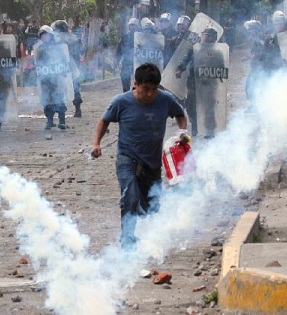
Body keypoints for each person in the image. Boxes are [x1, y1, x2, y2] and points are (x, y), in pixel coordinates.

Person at [91, 63, 188, 249]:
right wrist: (96, 143)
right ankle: (127, 238)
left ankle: (142, 221)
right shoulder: (121, 102)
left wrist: (182, 132)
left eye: (153, 89)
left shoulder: (165, 99)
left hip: (152, 163)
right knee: (130, 196)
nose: (150, 94)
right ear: (136, 84)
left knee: (152, 206)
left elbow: (180, 115)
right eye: (146, 89)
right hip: (127, 159)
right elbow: (104, 121)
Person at [175, 27, 218, 137]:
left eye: (209, 35)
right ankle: (195, 127)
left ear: (214, 38)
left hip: (209, 84)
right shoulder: (195, 48)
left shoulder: (217, 51)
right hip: (193, 82)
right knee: (191, 106)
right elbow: (186, 59)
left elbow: (222, 67)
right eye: (204, 34)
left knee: (208, 106)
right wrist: (180, 68)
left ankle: (209, 131)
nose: (206, 37)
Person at [35, 25, 68, 130]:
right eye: (42, 36)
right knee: (47, 101)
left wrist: (63, 71)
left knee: (59, 99)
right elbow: (38, 63)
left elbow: (64, 61)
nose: (44, 37)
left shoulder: (58, 47)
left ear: (51, 35)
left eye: (46, 35)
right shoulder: (40, 49)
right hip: (46, 79)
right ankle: (49, 121)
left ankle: (62, 121)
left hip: (57, 78)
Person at [52, 19, 83, 117]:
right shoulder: (74, 38)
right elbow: (79, 52)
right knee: (75, 88)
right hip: (73, 66)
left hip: (61, 67)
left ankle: (60, 111)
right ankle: (78, 109)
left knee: (60, 88)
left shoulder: (56, 39)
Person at [117, 18, 140, 92]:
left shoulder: (141, 37)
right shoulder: (125, 37)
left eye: (134, 25)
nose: (133, 27)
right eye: (131, 25)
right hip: (127, 62)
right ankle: (126, 96)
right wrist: (117, 60)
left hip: (138, 62)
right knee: (125, 81)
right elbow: (119, 50)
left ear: (137, 26)